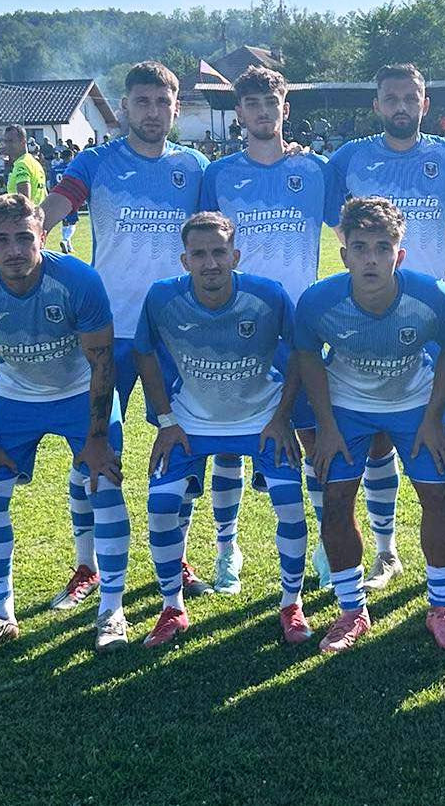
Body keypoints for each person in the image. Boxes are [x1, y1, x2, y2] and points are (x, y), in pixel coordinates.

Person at [37, 60, 214, 596]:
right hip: (107, 331)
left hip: (176, 334)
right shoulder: (96, 162)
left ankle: (177, 558)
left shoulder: (196, 167)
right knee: (93, 448)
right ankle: (87, 566)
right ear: (124, 107)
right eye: (142, 101)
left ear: (176, 109)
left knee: (181, 449)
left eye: (163, 102)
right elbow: (52, 209)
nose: (153, 112)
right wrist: (27, 237)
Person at [0, 194, 130, 656]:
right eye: (2, 240)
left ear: (42, 237)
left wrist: (97, 438)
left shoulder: (78, 280)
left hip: (80, 391)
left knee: (104, 483)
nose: (14, 250)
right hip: (15, 395)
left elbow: (102, 361)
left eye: (24, 238)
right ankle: (0, 615)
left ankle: (112, 609)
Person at [328, 63, 445, 591]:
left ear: (424, 103)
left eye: (409, 97)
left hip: (435, 318)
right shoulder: (349, 159)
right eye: (390, 97)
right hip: (371, 314)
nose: (400, 106)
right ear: (377, 104)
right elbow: (336, 219)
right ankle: (386, 551)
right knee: (377, 439)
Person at [295, 197, 445, 653]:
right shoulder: (318, 302)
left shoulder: (432, 297)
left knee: (436, 496)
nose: (371, 259)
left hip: (413, 403)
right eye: (360, 248)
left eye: (382, 248)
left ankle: (442, 606)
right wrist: (326, 425)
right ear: (344, 255)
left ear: (400, 254)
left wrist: (434, 417)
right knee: (335, 501)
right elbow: (307, 356)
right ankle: (352, 610)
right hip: (347, 405)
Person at [194, 66, 342, 595]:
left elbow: (349, 232)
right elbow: (205, 248)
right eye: (252, 103)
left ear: (285, 109)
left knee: (313, 435)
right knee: (228, 443)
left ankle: (327, 547)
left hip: (302, 329)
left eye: (270, 102)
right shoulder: (218, 175)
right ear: (239, 113)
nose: (262, 112)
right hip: (235, 328)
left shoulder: (316, 169)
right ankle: (227, 550)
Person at [134, 212, 313, 648]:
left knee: (290, 504)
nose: (210, 263)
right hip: (191, 420)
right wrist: (165, 421)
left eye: (219, 252)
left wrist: (282, 417)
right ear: (185, 260)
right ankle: (172, 607)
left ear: (235, 256)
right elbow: (144, 353)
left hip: (261, 418)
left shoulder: (267, 295)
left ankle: (291, 603)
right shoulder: (162, 298)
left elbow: (300, 353)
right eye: (199, 254)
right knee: (161, 506)